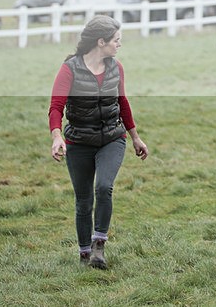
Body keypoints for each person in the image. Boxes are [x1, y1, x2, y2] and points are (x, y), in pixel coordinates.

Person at [48, 15, 149, 269]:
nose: (119, 45)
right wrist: (57, 136)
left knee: (104, 187)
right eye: (116, 40)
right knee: (83, 201)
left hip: (112, 138)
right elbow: (56, 106)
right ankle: (84, 254)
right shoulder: (70, 68)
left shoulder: (116, 67)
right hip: (79, 140)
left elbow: (122, 102)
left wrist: (135, 137)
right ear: (101, 42)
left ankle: (99, 246)